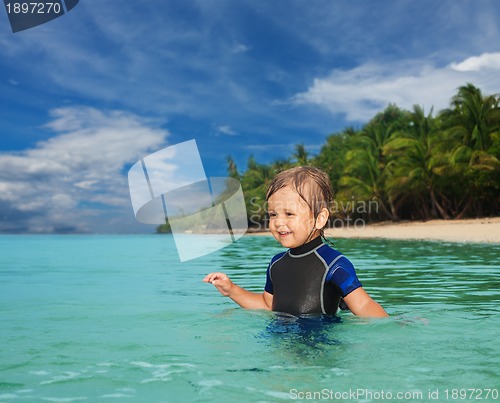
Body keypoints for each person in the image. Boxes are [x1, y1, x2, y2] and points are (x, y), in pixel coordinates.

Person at [203, 166, 388, 318]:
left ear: (319, 218)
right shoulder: (277, 264)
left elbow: (364, 306)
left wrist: (393, 329)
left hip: (316, 348)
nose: (279, 222)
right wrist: (232, 290)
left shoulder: (334, 265)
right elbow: (267, 306)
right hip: (278, 345)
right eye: (273, 214)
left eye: (289, 214)